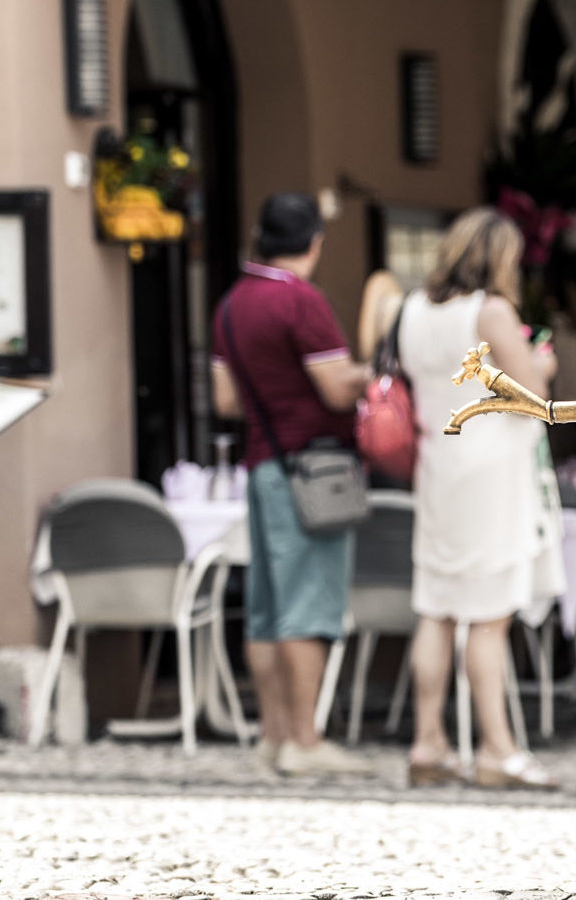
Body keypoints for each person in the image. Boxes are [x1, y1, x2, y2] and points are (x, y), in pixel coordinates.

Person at [210, 192, 372, 776]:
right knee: (308, 606)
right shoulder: (300, 301)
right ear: (313, 242)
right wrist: (372, 375)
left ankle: (272, 736)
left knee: (268, 610)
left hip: (261, 465)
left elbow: (225, 400)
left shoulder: (230, 305)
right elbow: (335, 388)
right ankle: (305, 741)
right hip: (314, 470)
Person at [397, 207, 559, 789]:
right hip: (490, 472)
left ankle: (428, 743)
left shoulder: (412, 310)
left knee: (436, 609)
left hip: (440, 467)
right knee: (488, 620)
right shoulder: (490, 311)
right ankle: (497, 748)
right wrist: (543, 359)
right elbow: (533, 393)